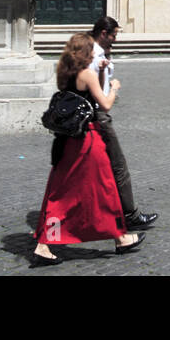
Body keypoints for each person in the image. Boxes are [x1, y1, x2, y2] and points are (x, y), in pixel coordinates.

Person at [32, 34, 145, 266]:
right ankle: (45, 245)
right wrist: (114, 87)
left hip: (67, 140)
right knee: (103, 187)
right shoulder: (87, 74)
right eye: (92, 49)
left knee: (63, 189)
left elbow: (84, 98)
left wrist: (102, 72)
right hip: (88, 140)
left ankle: (119, 237)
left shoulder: (65, 73)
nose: (95, 52)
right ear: (85, 51)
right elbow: (104, 104)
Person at [89, 16, 157, 230]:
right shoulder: (94, 56)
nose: (115, 40)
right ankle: (129, 215)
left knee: (98, 168)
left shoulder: (98, 52)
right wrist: (113, 89)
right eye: (113, 35)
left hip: (93, 115)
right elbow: (99, 98)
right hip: (99, 116)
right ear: (103, 33)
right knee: (118, 166)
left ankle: (111, 216)